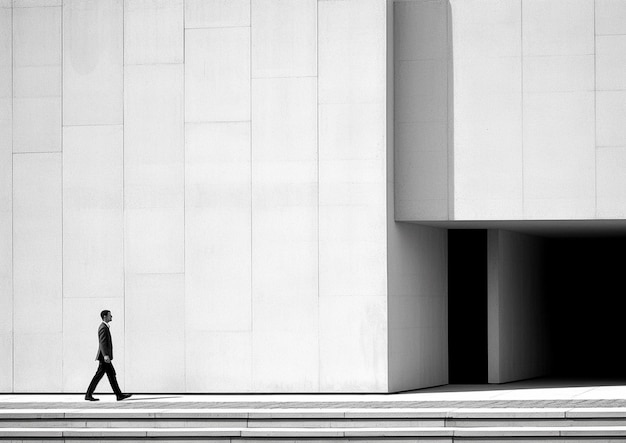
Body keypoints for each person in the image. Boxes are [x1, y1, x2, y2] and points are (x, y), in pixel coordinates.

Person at [85, 310, 132, 401]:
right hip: (104, 357)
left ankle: (119, 395)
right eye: (110, 315)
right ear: (105, 317)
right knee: (100, 375)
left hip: (105, 357)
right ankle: (89, 395)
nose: (112, 317)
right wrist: (106, 355)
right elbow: (102, 342)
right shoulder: (103, 327)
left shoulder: (105, 327)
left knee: (111, 374)